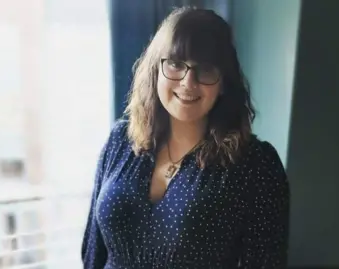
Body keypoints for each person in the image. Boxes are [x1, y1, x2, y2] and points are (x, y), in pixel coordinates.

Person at [82, 6, 289, 269]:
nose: (188, 82)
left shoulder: (255, 165)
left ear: (224, 81)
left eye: (205, 69)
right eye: (176, 64)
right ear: (156, 69)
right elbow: (93, 251)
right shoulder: (120, 140)